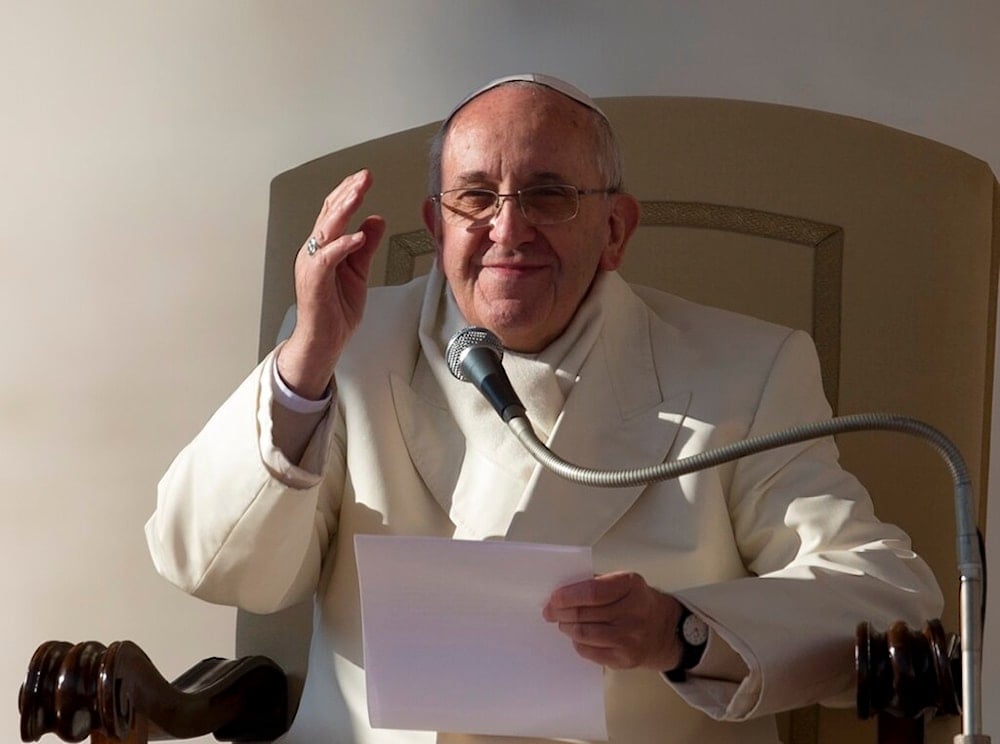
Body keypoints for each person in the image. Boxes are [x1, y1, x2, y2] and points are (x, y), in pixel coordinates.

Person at [147, 74, 942, 743]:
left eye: (548, 196)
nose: (507, 229)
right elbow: (209, 565)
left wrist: (684, 630)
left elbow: (888, 593)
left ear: (615, 229)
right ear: (435, 224)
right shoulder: (341, 345)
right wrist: (305, 362)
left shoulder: (743, 369)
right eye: (475, 198)